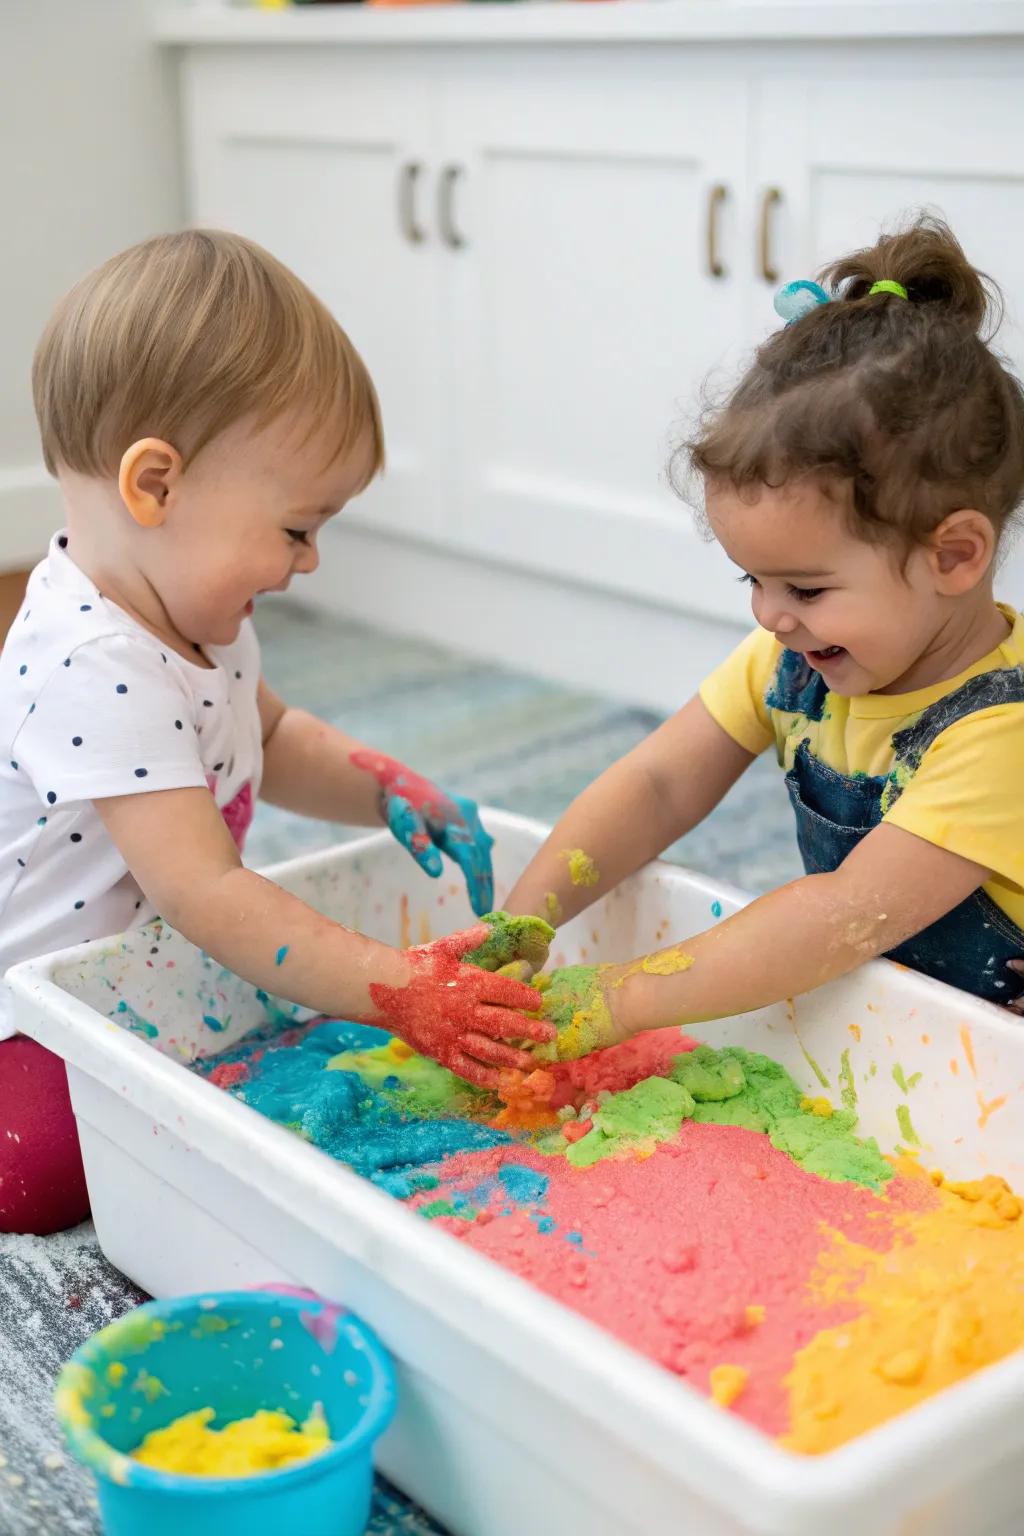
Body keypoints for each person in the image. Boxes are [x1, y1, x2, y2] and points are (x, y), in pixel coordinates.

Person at [0, 230, 550, 1234]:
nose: (310, 562)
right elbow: (206, 890)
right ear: (154, 487)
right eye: (297, 527)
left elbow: (271, 733)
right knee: (42, 1175)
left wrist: (383, 784)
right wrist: (399, 989)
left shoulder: (197, 611)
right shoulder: (91, 662)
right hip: (34, 997)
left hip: (153, 956)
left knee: (259, 1048)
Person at [505, 215, 1024, 1061]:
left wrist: (626, 996)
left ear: (954, 555)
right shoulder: (799, 659)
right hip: (889, 1007)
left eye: (808, 589)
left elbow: (839, 914)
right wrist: (524, 922)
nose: (771, 617)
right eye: (754, 580)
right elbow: (661, 783)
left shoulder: (1003, 733)